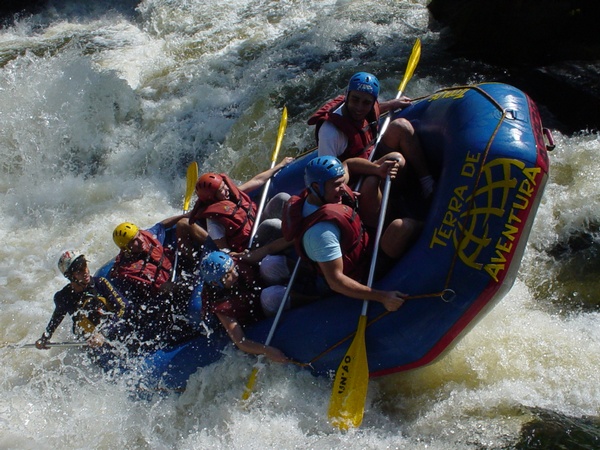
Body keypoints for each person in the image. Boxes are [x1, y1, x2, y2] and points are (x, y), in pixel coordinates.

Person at [282, 156, 422, 312]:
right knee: (402, 227)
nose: (343, 187)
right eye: (337, 185)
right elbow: (336, 281)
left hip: (360, 237)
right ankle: (428, 222)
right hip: (361, 269)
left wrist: (377, 169)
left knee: (371, 182)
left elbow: (348, 164)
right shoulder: (321, 233)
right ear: (316, 187)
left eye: (342, 181)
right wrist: (382, 297)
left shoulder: (320, 190)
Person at [308, 71, 435, 200]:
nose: (359, 107)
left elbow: (375, 109)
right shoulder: (330, 132)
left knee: (401, 126)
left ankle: (426, 182)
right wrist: (346, 192)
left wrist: (393, 104)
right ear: (347, 95)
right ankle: (400, 202)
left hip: (372, 154)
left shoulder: (368, 105)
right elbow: (327, 176)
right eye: (355, 99)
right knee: (393, 163)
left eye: (366, 103)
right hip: (352, 177)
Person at [177, 156, 294, 255]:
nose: (227, 189)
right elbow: (224, 250)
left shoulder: (231, 195)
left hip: (256, 222)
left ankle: (296, 223)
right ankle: (295, 237)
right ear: (212, 198)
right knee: (271, 224)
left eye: (224, 185)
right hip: (250, 244)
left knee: (282, 198)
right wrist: (241, 255)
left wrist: (280, 164)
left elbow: (257, 180)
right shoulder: (214, 222)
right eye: (221, 190)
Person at [109, 214, 197, 345]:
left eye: (138, 235)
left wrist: (185, 215)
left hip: (174, 270)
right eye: (134, 241)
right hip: (158, 296)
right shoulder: (127, 270)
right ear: (125, 249)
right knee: (174, 296)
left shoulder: (145, 236)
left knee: (184, 224)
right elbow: (160, 288)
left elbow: (161, 225)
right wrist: (182, 285)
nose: (140, 241)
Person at [200, 250, 289, 363]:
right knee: (271, 296)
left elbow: (271, 248)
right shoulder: (219, 304)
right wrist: (267, 351)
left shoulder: (235, 261)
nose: (235, 274)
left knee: (271, 263)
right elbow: (241, 342)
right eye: (228, 275)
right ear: (216, 283)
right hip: (262, 311)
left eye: (233, 268)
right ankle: (310, 299)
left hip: (262, 290)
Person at [36, 250, 133, 350]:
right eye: (79, 271)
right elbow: (56, 318)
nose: (85, 272)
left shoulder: (100, 284)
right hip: (90, 340)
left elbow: (124, 307)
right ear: (70, 276)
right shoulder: (63, 297)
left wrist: (104, 333)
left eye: (85, 266)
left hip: (112, 331)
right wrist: (45, 338)